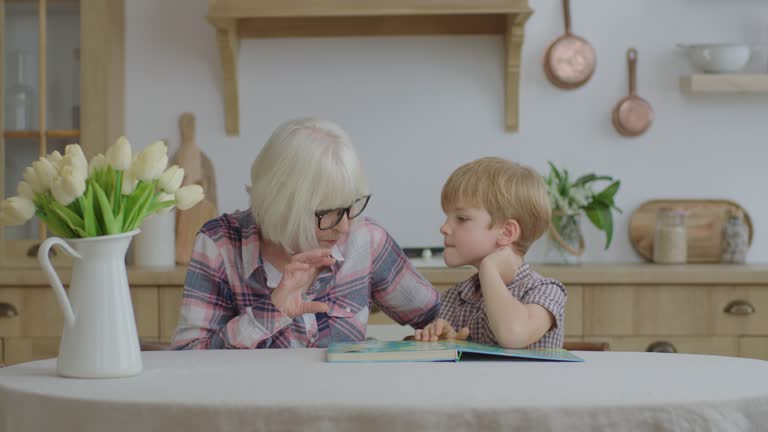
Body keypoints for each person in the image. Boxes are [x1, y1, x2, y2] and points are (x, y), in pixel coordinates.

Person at [172, 118, 439, 349]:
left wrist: (441, 330)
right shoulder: (221, 244)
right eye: (328, 213)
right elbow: (190, 358)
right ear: (281, 205)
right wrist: (270, 312)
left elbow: (438, 318)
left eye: (350, 206)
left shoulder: (365, 240)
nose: (344, 226)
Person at [414, 157, 567, 349]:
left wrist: (489, 268)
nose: (444, 228)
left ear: (506, 232)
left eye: (461, 218)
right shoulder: (453, 298)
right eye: (447, 217)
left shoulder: (546, 290)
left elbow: (514, 334)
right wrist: (446, 342)